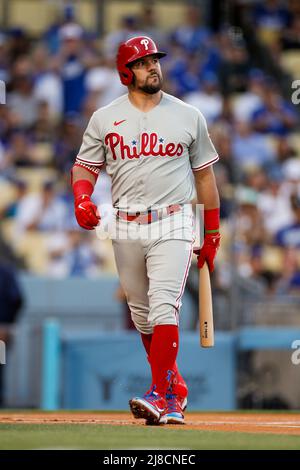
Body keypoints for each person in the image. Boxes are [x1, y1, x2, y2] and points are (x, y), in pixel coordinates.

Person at [71, 36, 220, 425]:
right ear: (126, 72)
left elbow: (205, 179)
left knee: (163, 303)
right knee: (142, 316)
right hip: (124, 223)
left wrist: (212, 233)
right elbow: (85, 167)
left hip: (173, 220)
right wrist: (82, 199)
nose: (153, 66)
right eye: (142, 62)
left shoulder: (189, 115)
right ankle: (174, 389)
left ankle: (159, 392)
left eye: (155, 60)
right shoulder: (105, 117)